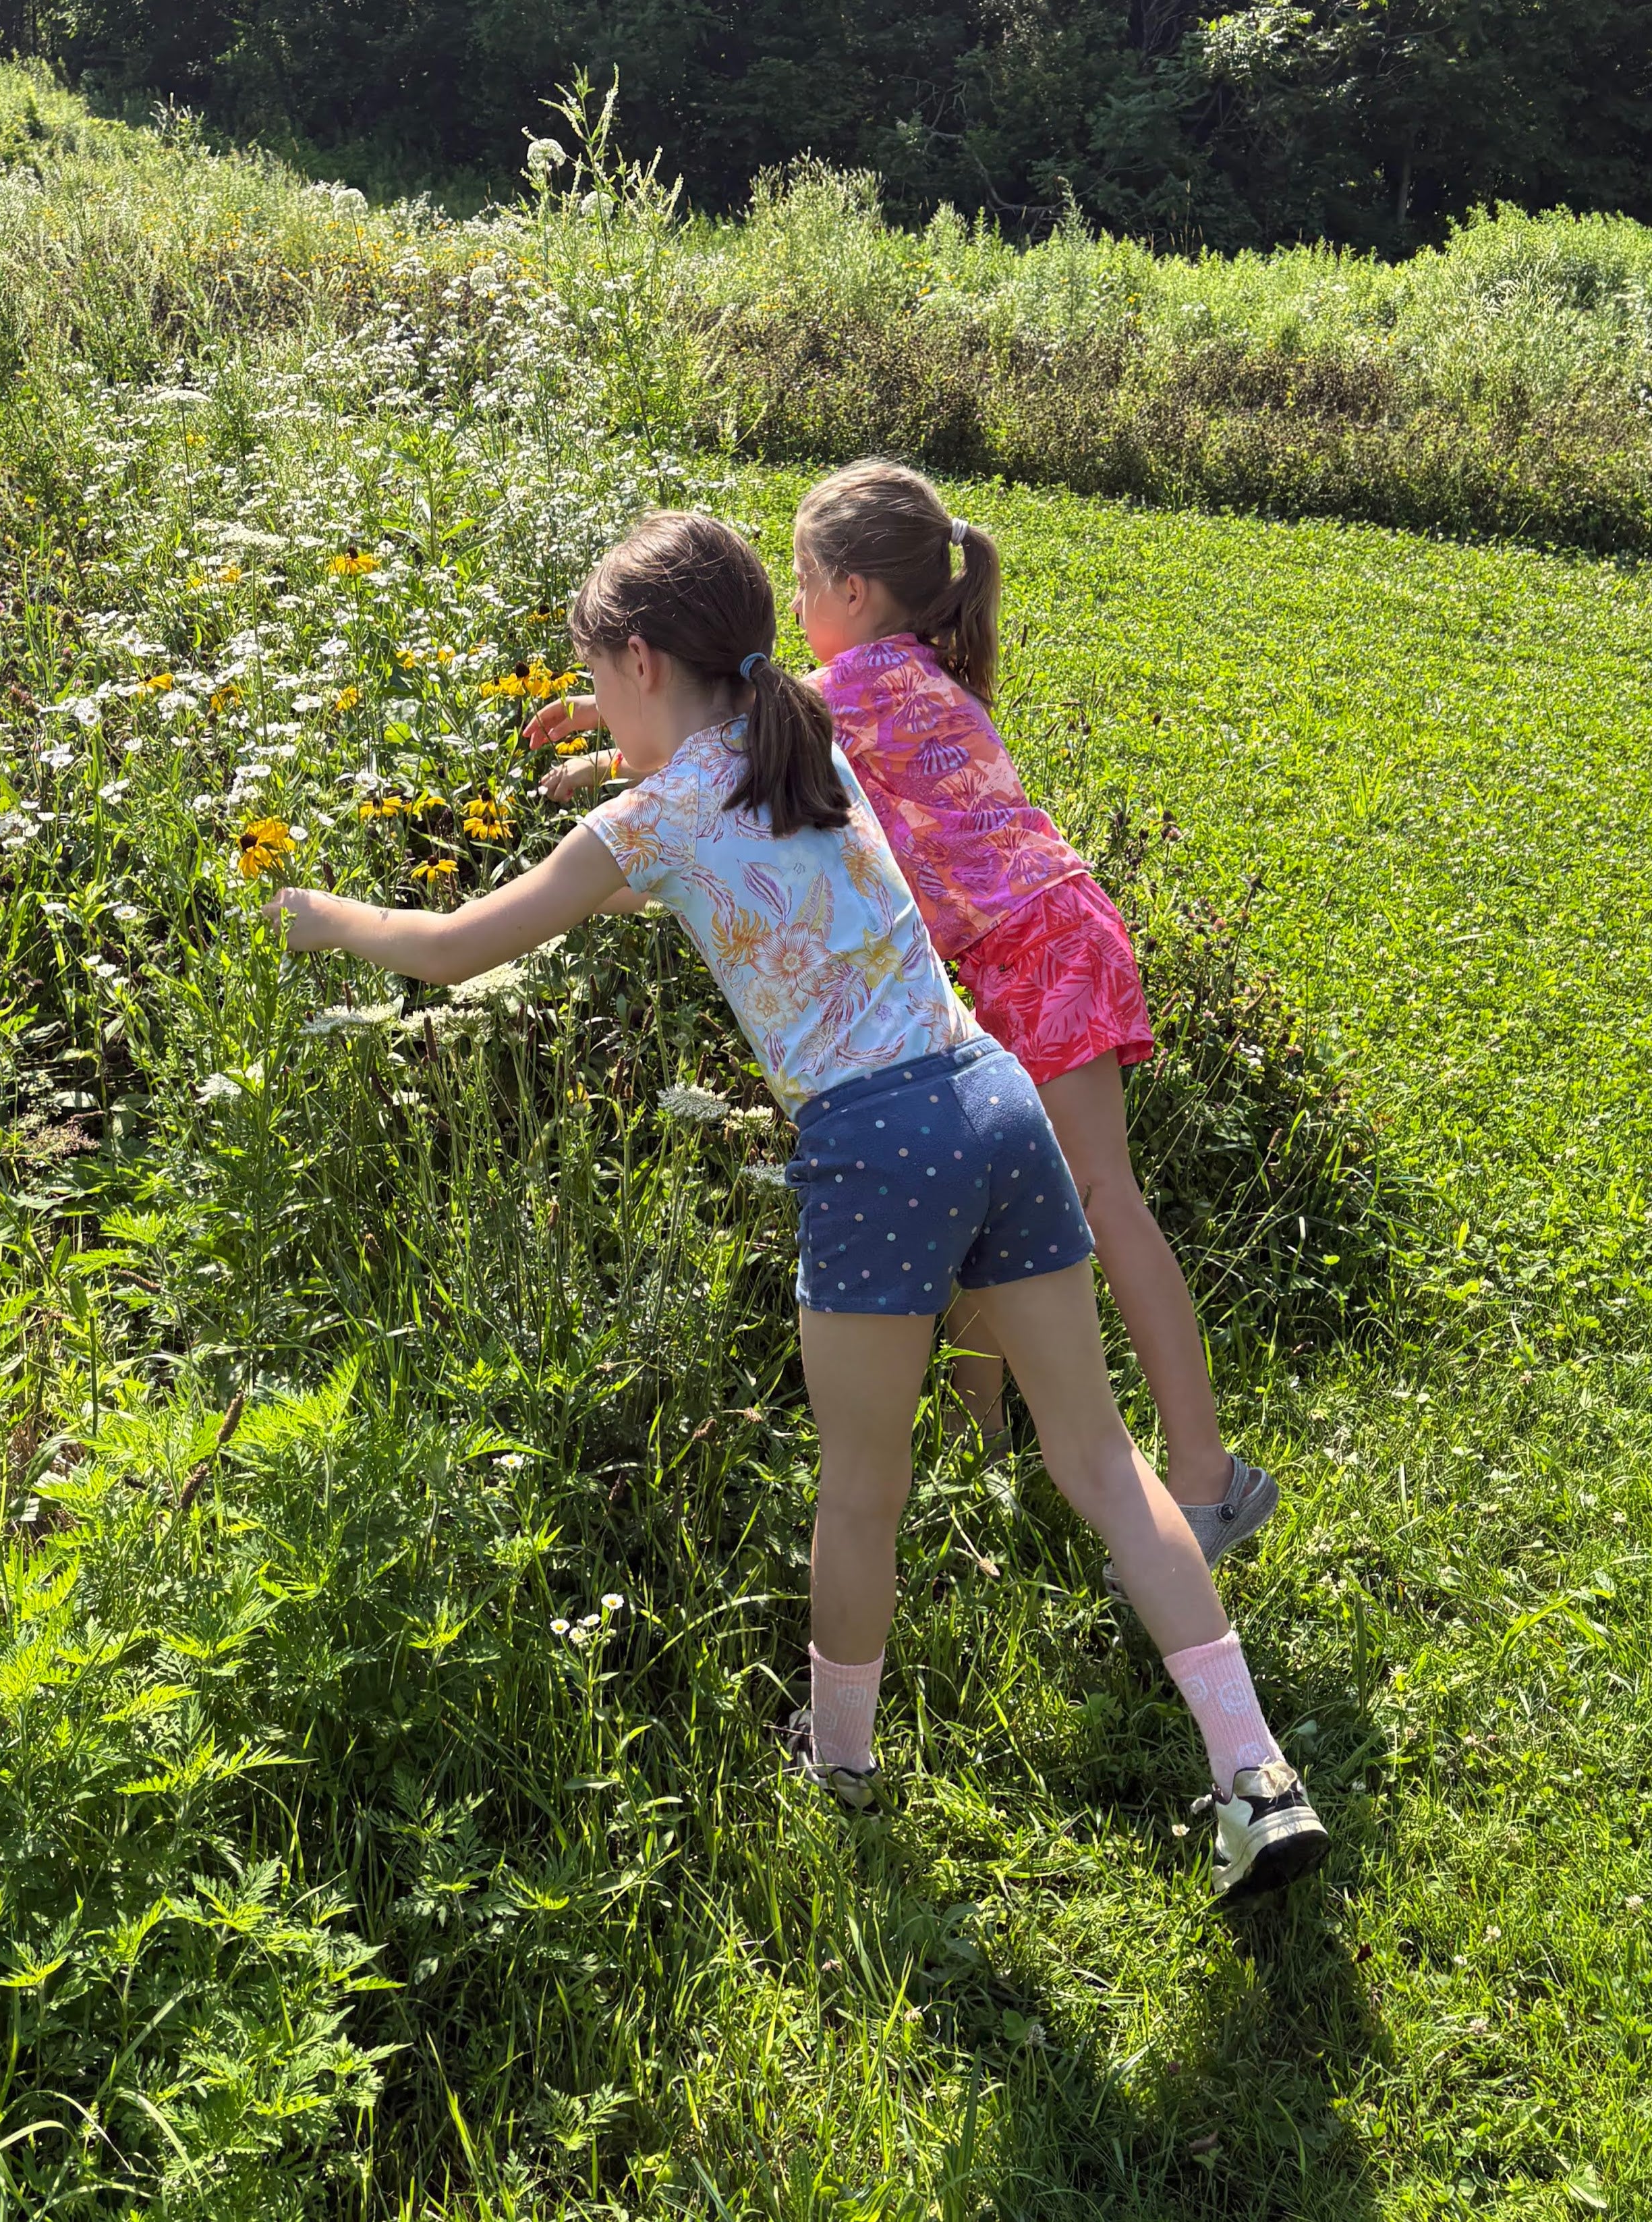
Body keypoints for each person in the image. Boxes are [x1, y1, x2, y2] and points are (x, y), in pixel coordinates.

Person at [270, 511, 1326, 1899]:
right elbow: (721, 801)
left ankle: (836, 1768)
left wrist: (311, 913)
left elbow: (455, 950)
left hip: (873, 1144)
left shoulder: (647, 820)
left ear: (642, 661)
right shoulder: (802, 732)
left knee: (862, 1490)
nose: (593, 705)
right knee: (1101, 1462)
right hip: (990, 1089)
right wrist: (606, 757)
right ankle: (1253, 1772)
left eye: (595, 679)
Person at [536, 463, 1276, 1603]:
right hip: (1052, 934)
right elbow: (729, 725)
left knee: (1102, 1199)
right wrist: (613, 713)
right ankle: (987, 1454)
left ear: (852, 591)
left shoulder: (854, 688)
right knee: (1007, 1205)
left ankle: (1205, 1474)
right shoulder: (908, 670)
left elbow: (727, 730)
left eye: (800, 581)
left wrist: (604, 750)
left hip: (1029, 949)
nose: (792, 608)